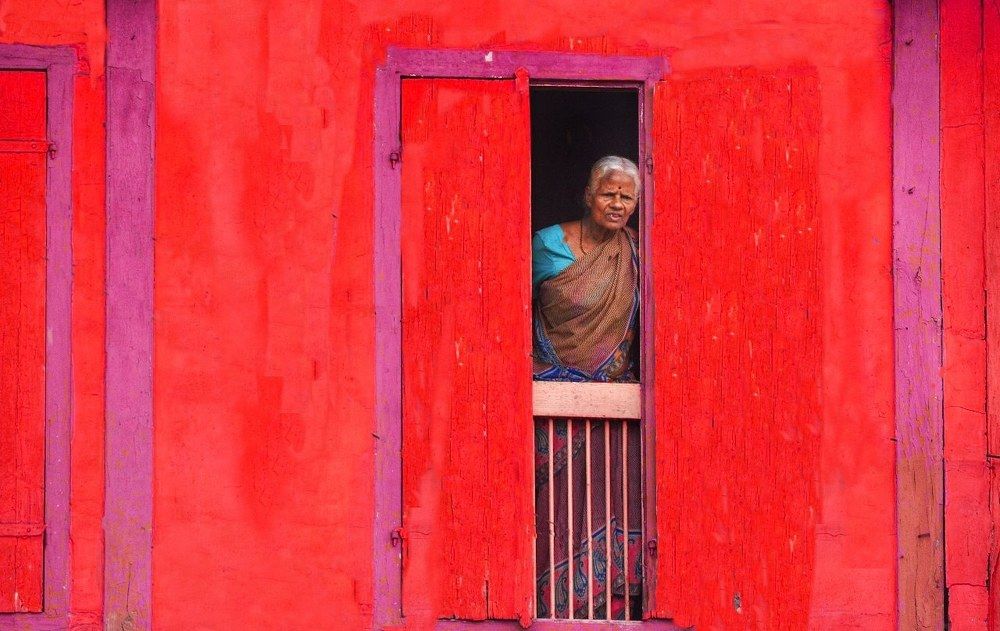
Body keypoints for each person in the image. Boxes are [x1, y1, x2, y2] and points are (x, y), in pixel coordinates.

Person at [532, 155, 640, 382]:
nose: (617, 204)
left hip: (615, 388)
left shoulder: (637, 248)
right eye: (608, 195)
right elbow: (515, 308)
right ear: (589, 196)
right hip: (549, 382)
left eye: (626, 197)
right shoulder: (548, 244)